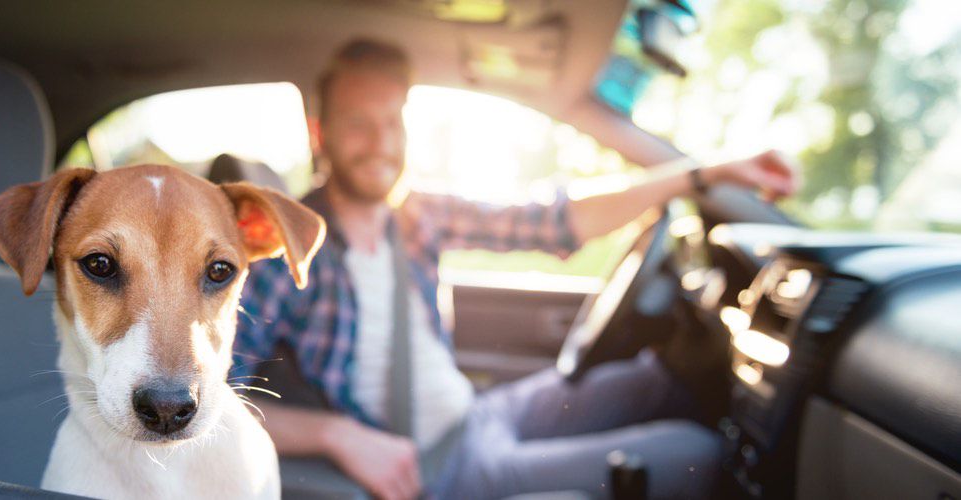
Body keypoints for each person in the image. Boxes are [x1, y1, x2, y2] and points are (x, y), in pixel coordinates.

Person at [232, 38, 797, 500]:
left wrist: (703, 176)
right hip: (441, 469)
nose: (380, 143)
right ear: (319, 132)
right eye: (359, 123)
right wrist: (336, 436)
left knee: (656, 380)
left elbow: (559, 220)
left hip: (478, 412)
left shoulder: (417, 216)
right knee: (696, 454)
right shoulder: (286, 252)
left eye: (393, 123)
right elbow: (215, 404)